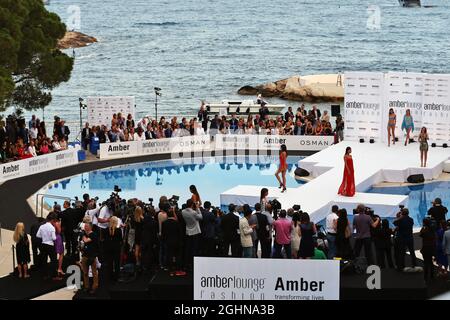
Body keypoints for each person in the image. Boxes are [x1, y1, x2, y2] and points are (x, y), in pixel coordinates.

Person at [36, 212, 61, 281]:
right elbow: (54, 238)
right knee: (54, 261)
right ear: (52, 220)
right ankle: (54, 276)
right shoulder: (52, 228)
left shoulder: (42, 226)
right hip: (50, 245)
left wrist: (44, 237)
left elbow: (38, 235)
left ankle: (45, 275)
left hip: (43, 245)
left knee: (44, 261)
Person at [161, 208, 186, 276]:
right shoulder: (177, 223)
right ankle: (178, 270)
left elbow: (163, 234)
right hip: (177, 242)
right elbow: (180, 233)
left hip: (168, 242)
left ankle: (171, 271)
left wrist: (164, 241)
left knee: (169, 255)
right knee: (178, 256)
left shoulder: (164, 223)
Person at [181, 199, 203, 270]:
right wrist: (197, 207)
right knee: (194, 249)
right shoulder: (194, 212)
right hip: (195, 232)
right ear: (192, 204)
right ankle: (193, 264)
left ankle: (186, 264)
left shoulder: (183, 211)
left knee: (188, 248)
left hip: (188, 231)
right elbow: (201, 217)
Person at [80, 222, 99, 294]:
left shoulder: (93, 235)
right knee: (85, 272)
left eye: (86, 226)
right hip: (85, 255)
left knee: (94, 272)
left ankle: (95, 287)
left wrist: (83, 235)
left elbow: (86, 240)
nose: (85, 227)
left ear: (90, 227)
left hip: (92, 256)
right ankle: (86, 286)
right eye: (84, 226)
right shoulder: (84, 234)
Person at [104, 216, 122, 281]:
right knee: (117, 263)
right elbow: (120, 240)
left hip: (108, 248)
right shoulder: (118, 230)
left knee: (109, 262)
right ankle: (116, 277)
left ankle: (110, 276)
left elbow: (105, 240)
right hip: (116, 248)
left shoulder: (106, 230)